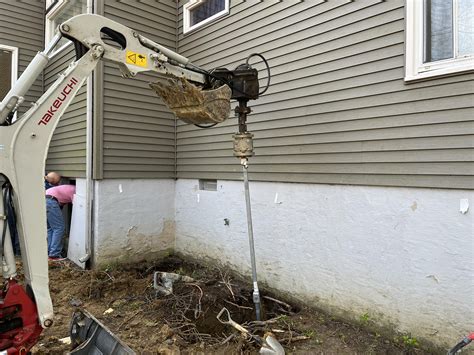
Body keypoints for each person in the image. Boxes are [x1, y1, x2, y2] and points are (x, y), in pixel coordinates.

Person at [45, 184, 75, 261]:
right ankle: (54, 255)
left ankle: (49, 253)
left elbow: (61, 201)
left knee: (51, 229)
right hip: (51, 201)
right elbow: (77, 206)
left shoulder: (67, 188)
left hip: (44, 199)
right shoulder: (75, 191)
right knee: (59, 228)